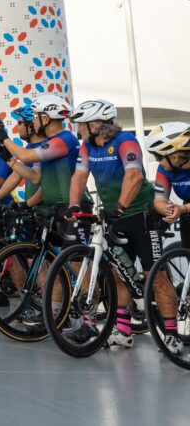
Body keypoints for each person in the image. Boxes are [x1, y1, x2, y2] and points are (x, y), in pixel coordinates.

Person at [66, 99, 176, 348]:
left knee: (154, 276)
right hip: (115, 215)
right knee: (117, 275)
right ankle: (124, 331)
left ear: (96, 124)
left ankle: (172, 334)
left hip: (141, 214)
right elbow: (80, 175)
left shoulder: (125, 140)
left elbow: (134, 175)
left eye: (81, 124)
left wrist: (121, 206)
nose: (78, 129)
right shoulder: (87, 146)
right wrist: (73, 205)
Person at [0, 95, 79, 217]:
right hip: (55, 207)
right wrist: (26, 204)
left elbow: (24, 156)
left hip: (67, 206)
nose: (33, 122)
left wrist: (4, 138)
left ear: (45, 119)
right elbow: (40, 180)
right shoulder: (50, 142)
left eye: (35, 118)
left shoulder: (64, 139)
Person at [147, 121, 190, 354]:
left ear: (178, 151)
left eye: (161, 156)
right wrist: (167, 210)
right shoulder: (167, 168)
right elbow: (160, 199)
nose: (159, 162)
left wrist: (181, 210)